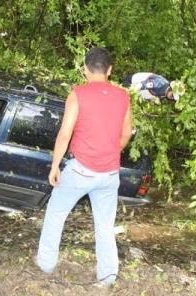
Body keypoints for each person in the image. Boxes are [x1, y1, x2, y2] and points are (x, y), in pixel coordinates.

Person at [36, 48, 132, 287]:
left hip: (80, 170)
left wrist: (55, 165)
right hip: (109, 173)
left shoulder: (77, 94)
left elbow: (65, 133)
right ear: (109, 70)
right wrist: (109, 151)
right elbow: (127, 133)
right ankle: (107, 277)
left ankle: (46, 263)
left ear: (85, 70)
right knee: (105, 226)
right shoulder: (123, 96)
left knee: (56, 214)